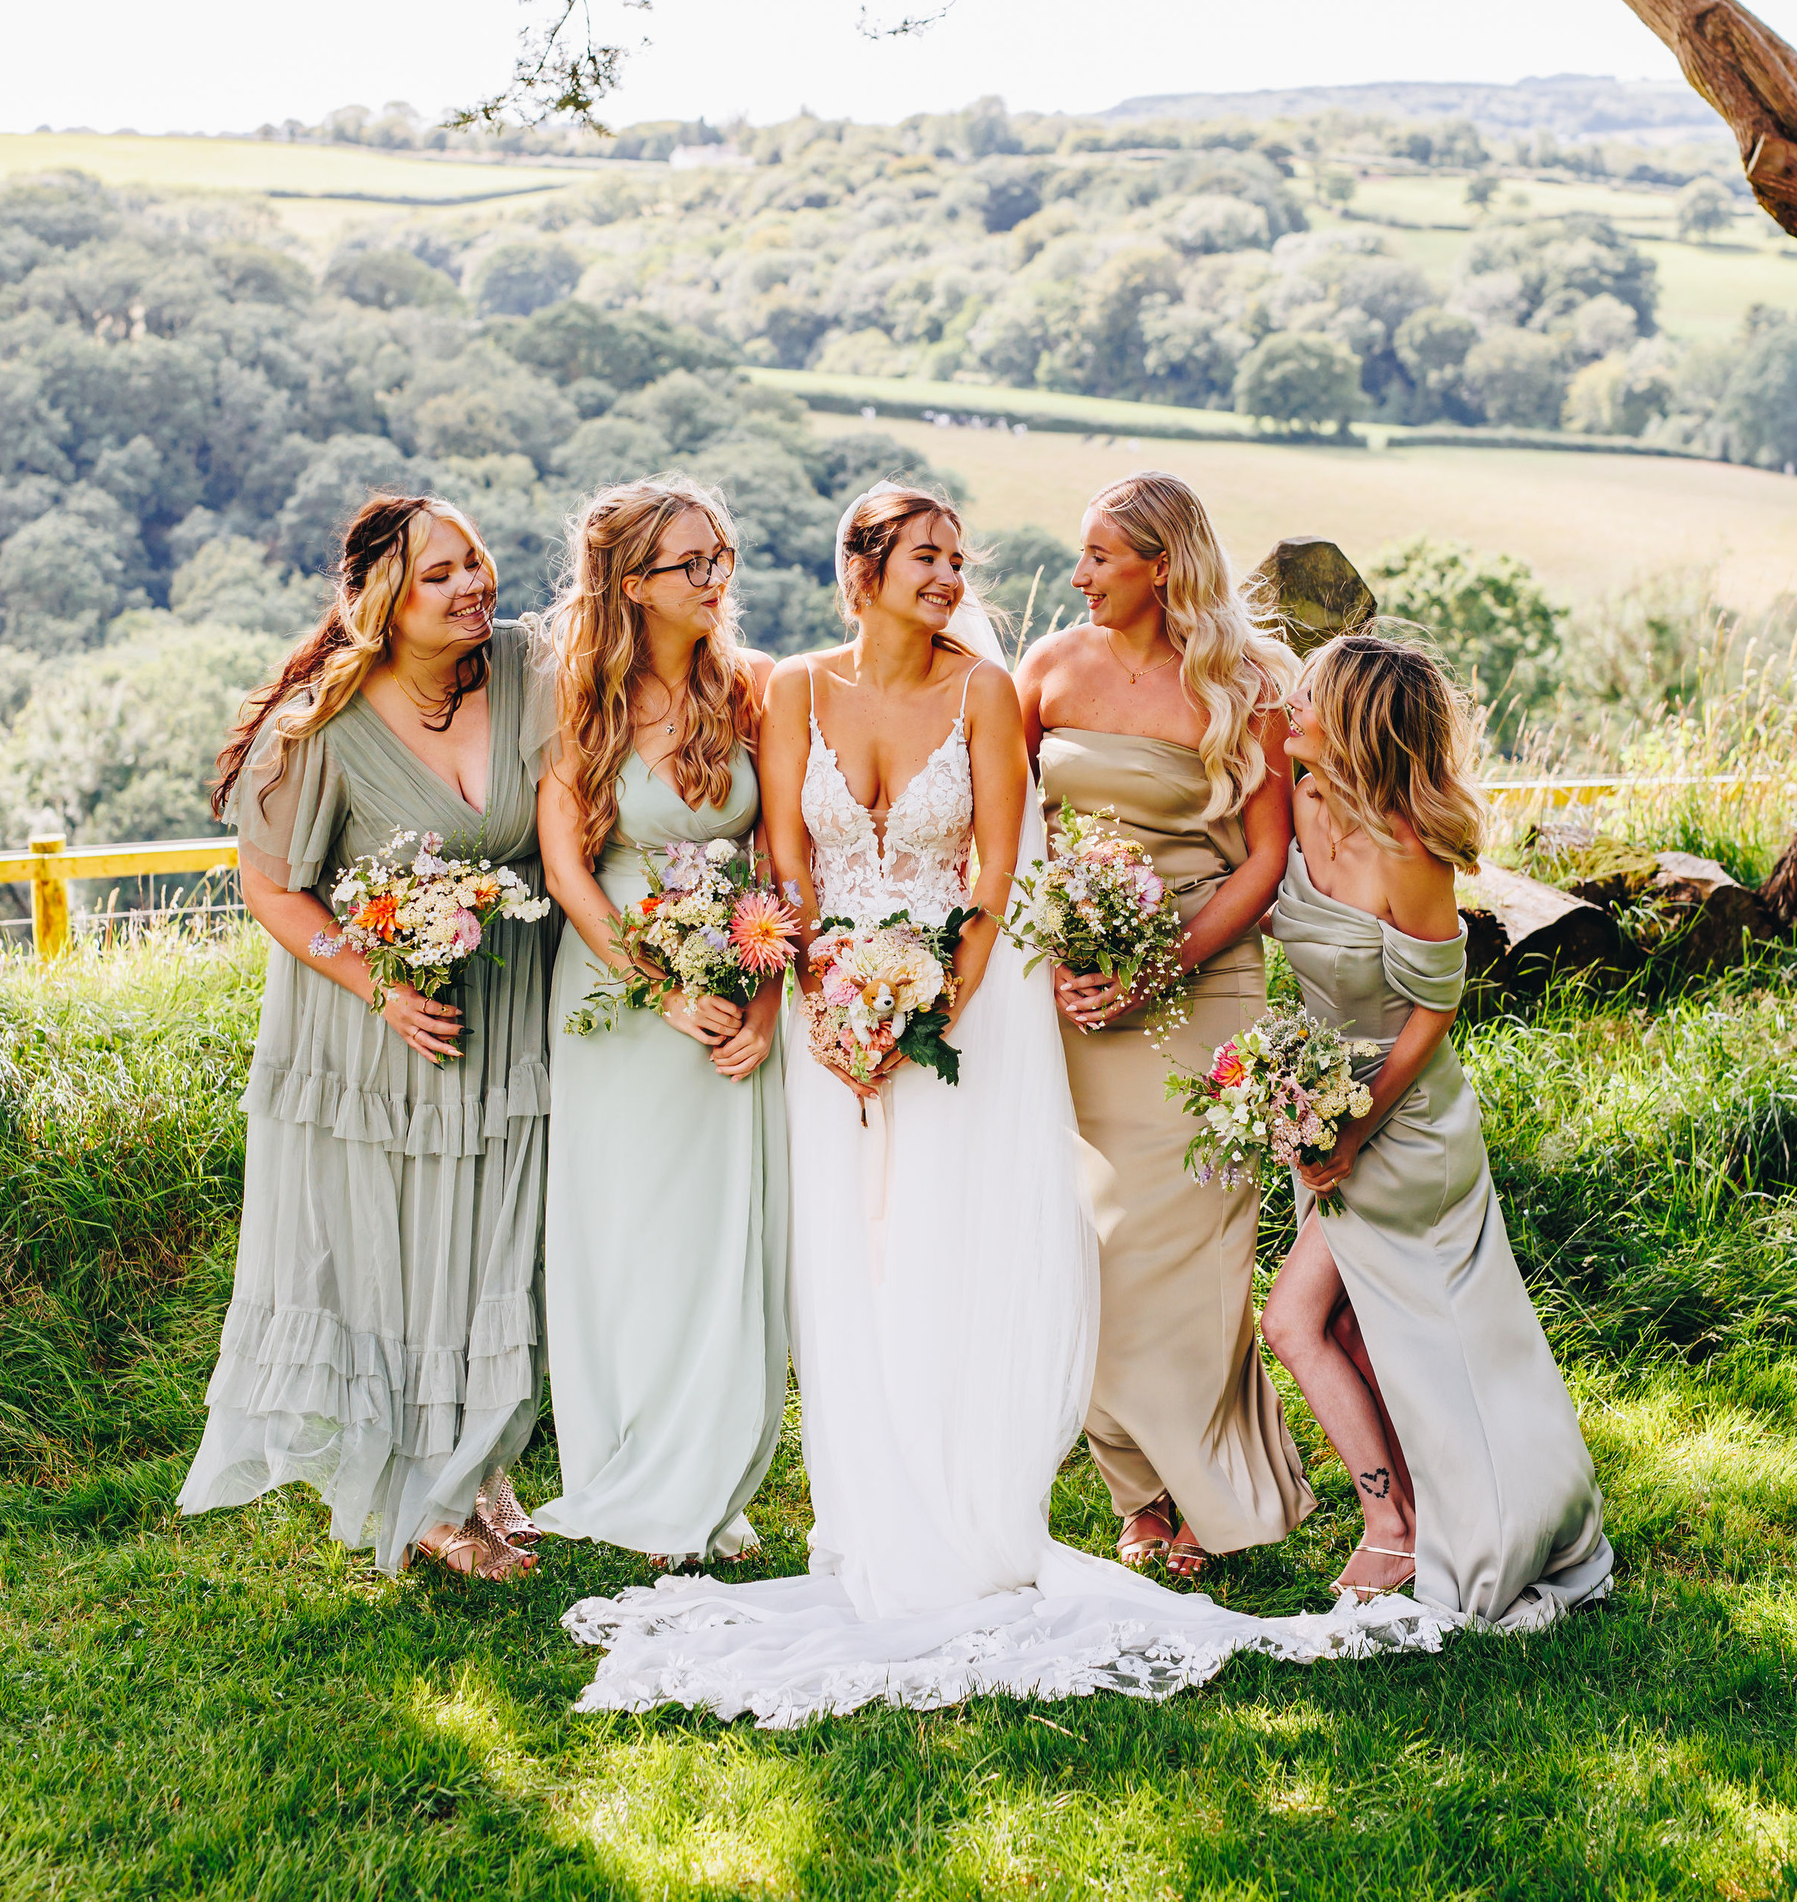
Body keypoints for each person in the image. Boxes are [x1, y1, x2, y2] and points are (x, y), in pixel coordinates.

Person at [556, 486, 1439, 1724]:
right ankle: (869, 1516)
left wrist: (927, 1002)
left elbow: (994, 865)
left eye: (958, 559)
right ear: (861, 568)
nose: (952, 576)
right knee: (847, 1271)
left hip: (953, 1018)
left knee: (947, 1255)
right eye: (928, 556)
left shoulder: (982, 689)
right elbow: (791, 868)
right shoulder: (793, 689)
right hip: (829, 1025)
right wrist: (832, 998)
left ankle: (972, 1515)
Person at [178, 494, 554, 1582]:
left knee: (490, 1239)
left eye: (474, 563)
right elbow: (271, 889)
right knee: (401, 1254)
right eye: (439, 575)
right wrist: (378, 984)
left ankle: (475, 1465)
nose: (471, 585)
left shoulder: (526, 669)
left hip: (507, 1009)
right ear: (378, 597)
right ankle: (417, 1494)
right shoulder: (324, 723)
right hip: (378, 1028)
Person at [1261, 634, 1613, 1625]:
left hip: (1405, 1125)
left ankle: (1398, 1529)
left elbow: (1433, 1011)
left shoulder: (1408, 851)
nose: (1293, 701)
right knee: (1356, 1333)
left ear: (1360, 721)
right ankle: (1415, 1514)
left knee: (1302, 1324)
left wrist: (1356, 1128)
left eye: (1313, 693)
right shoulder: (1301, 795)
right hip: (1325, 1101)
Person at [1018, 473, 1314, 1579]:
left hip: (1207, 989)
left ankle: (1210, 1490)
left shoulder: (1246, 687)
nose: (1083, 576)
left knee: (1190, 1257)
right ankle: (1139, 1494)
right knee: (1089, 1247)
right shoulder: (1045, 670)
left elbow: (1269, 857)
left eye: (1101, 556)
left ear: (1162, 565)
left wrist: (1164, 968)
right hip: (1070, 994)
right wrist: (1049, 956)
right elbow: (1003, 834)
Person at [528, 477, 789, 1564]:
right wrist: (659, 985)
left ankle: (711, 1474)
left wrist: (763, 997)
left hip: (735, 982)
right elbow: (569, 871)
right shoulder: (580, 701)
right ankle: (630, 1463)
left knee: (724, 1237)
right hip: (618, 1004)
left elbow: (783, 857)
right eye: (694, 563)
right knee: (629, 1234)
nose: (716, 578)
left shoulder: (759, 690)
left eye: (721, 555)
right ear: (633, 585)